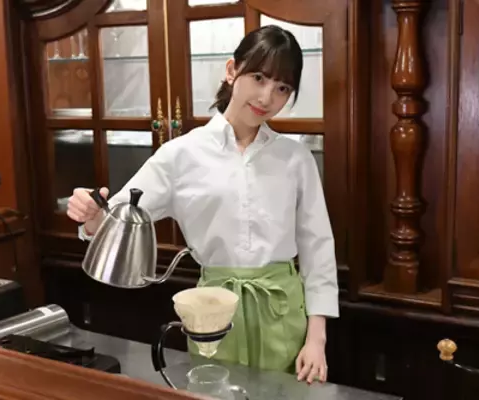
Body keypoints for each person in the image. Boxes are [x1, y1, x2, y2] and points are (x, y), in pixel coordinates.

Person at [66, 25, 339, 384]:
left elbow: (318, 248)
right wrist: (89, 214)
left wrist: (316, 340)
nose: (267, 97)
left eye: (282, 88)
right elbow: (117, 218)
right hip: (212, 313)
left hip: (282, 310)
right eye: (258, 78)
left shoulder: (296, 159)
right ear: (231, 70)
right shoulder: (181, 155)